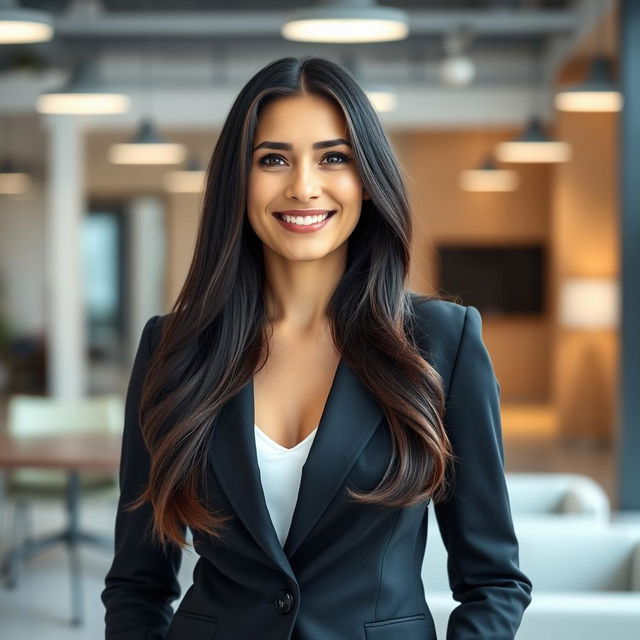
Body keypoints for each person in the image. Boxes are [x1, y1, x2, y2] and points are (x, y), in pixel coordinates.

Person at [101, 56, 532, 640]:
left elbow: (494, 582)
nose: (303, 185)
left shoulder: (442, 342)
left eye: (334, 157)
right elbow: (138, 581)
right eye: (273, 159)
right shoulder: (171, 346)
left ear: (368, 178)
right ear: (239, 178)